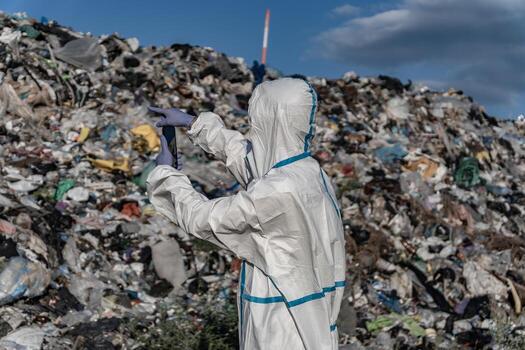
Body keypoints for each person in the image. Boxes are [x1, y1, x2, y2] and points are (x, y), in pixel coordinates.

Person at [147, 78, 346, 350]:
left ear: (270, 123)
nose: (253, 131)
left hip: (282, 323)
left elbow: (201, 219)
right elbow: (248, 159)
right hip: (311, 316)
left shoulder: (278, 190)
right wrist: (195, 124)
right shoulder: (309, 173)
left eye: (256, 122)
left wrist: (166, 175)